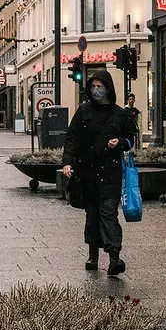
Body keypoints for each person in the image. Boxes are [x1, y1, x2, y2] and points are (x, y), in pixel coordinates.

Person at [62, 70, 134, 276]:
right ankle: (93, 254)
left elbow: (130, 140)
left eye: (99, 87)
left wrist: (119, 143)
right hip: (88, 172)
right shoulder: (83, 111)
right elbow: (72, 138)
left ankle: (114, 256)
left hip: (110, 172)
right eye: (93, 87)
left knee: (109, 213)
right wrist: (68, 162)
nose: (96, 91)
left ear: (108, 88)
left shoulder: (121, 114)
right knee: (92, 213)